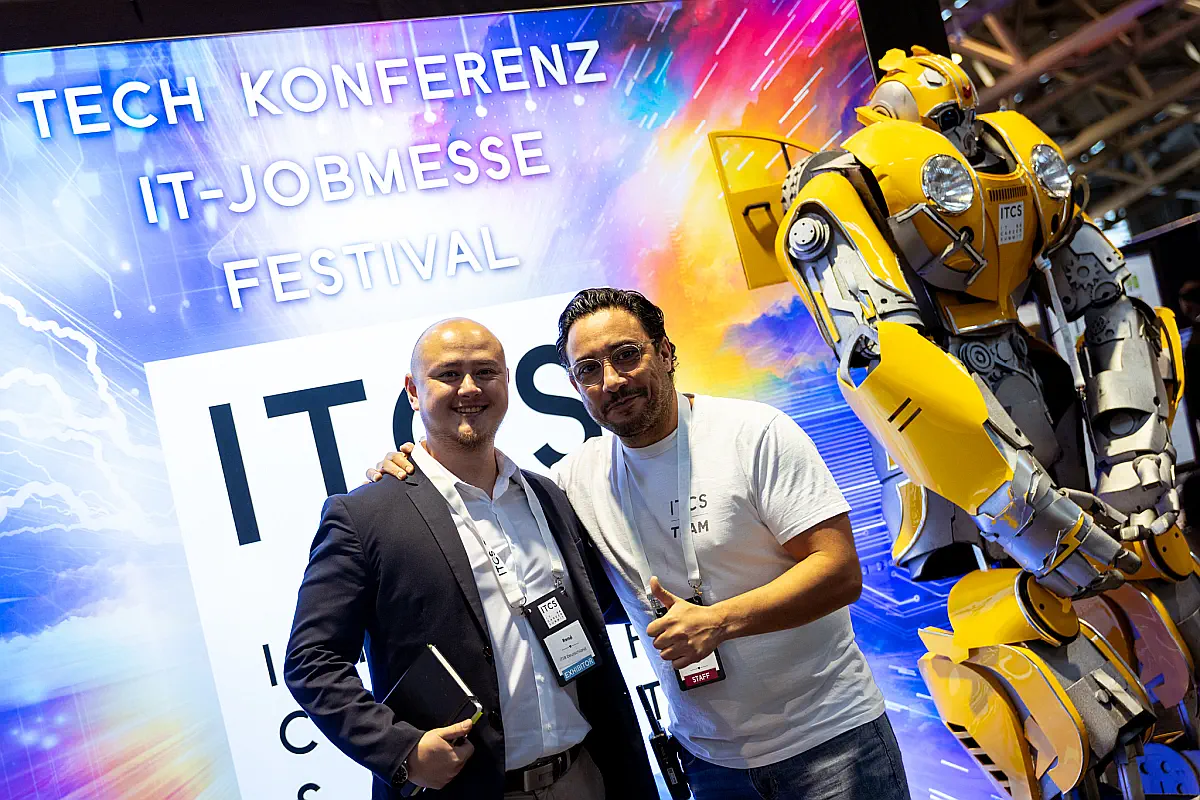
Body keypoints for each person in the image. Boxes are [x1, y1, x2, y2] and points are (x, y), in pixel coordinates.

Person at [370, 290, 911, 800]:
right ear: (575, 385)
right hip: (709, 758)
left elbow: (840, 571)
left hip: (830, 741)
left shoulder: (753, 434)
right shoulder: (575, 479)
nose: (611, 380)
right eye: (588, 370)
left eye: (626, 355)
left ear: (666, 353)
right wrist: (411, 473)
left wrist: (719, 621)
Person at [285, 318, 656, 800]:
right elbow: (311, 661)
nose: (469, 388)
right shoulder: (365, 515)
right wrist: (401, 750)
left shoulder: (547, 496)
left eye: (485, 372)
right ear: (413, 391)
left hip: (584, 777)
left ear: (506, 382)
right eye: (448, 374)